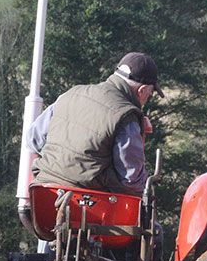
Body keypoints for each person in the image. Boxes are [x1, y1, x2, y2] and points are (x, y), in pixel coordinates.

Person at [26, 52, 163, 195]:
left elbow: (33, 139)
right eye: (150, 94)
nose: (147, 99)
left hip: (43, 195)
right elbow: (131, 179)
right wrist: (147, 186)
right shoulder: (126, 116)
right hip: (89, 205)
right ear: (141, 91)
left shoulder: (70, 94)